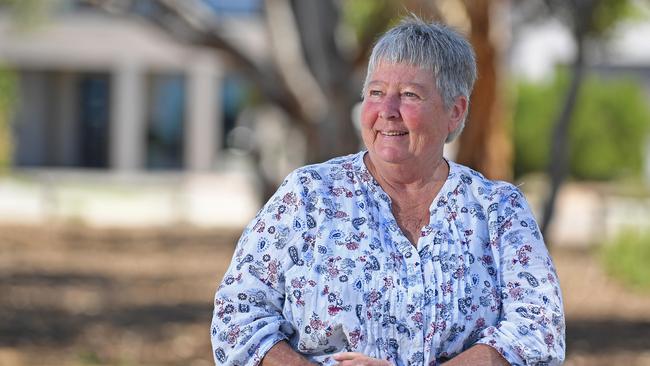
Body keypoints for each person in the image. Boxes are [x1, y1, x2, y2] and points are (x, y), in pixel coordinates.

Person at [211, 16, 565, 366]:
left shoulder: (498, 210)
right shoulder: (308, 195)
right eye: (376, 93)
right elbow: (238, 316)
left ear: (454, 112)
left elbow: (537, 332)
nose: (387, 111)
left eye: (409, 95)